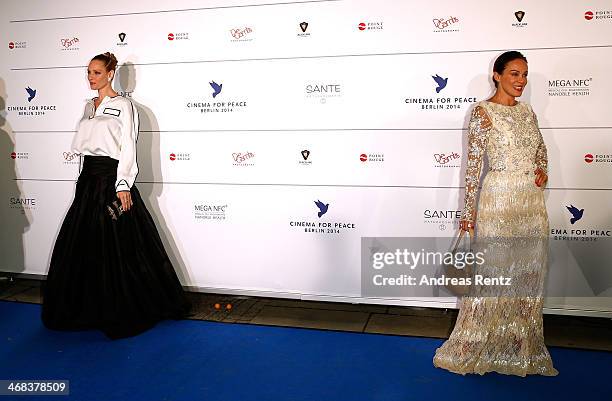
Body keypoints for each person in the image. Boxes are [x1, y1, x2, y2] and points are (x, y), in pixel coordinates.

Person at [42, 52, 190, 339]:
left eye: (96, 72)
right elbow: (84, 147)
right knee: (83, 244)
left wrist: (123, 184)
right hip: (87, 181)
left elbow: (128, 146)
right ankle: (88, 307)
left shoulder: (125, 106)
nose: (91, 77)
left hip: (111, 180)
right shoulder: (88, 107)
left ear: (111, 74)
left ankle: (129, 305)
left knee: (120, 245)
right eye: (88, 72)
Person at [433, 51, 558, 376]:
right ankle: (474, 346)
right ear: (497, 75)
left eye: (524, 74)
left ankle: (519, 348)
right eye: (514, 73)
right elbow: (473, 168)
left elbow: (540, 149)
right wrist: (468, 213)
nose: (521, 81)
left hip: (530, 205)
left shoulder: (528, 112)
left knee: (527, 278)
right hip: (498, 202)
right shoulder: (482, 112)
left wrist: (542, 169)